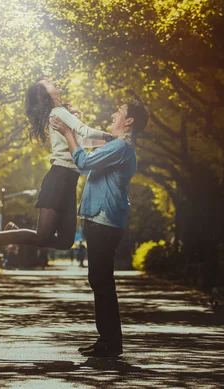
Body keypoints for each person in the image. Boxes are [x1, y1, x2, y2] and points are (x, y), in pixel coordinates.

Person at [0, 77, 112, 249]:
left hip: (69, 180)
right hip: (59, 179)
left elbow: (83, 142)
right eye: (48, 83)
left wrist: (110, 143)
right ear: (44, 95)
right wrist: (114, 137)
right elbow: (85, 131)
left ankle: (12, 234)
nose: (54, 82)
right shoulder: (57, 112)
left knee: (65, 242)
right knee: (42, 236)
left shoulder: (61, 113)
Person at [51, 99, 149, 358]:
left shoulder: (121, 147)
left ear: (129, 121)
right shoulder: (114, 145)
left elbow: (82, 162)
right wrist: (74, 124)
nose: (114, 113)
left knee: (102, 282)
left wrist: (69, 132)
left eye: (119, 112)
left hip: (104, 221)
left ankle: (110, 343)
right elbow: (84, 146)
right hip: (100, 220)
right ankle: (107, 340)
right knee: (100, 281)